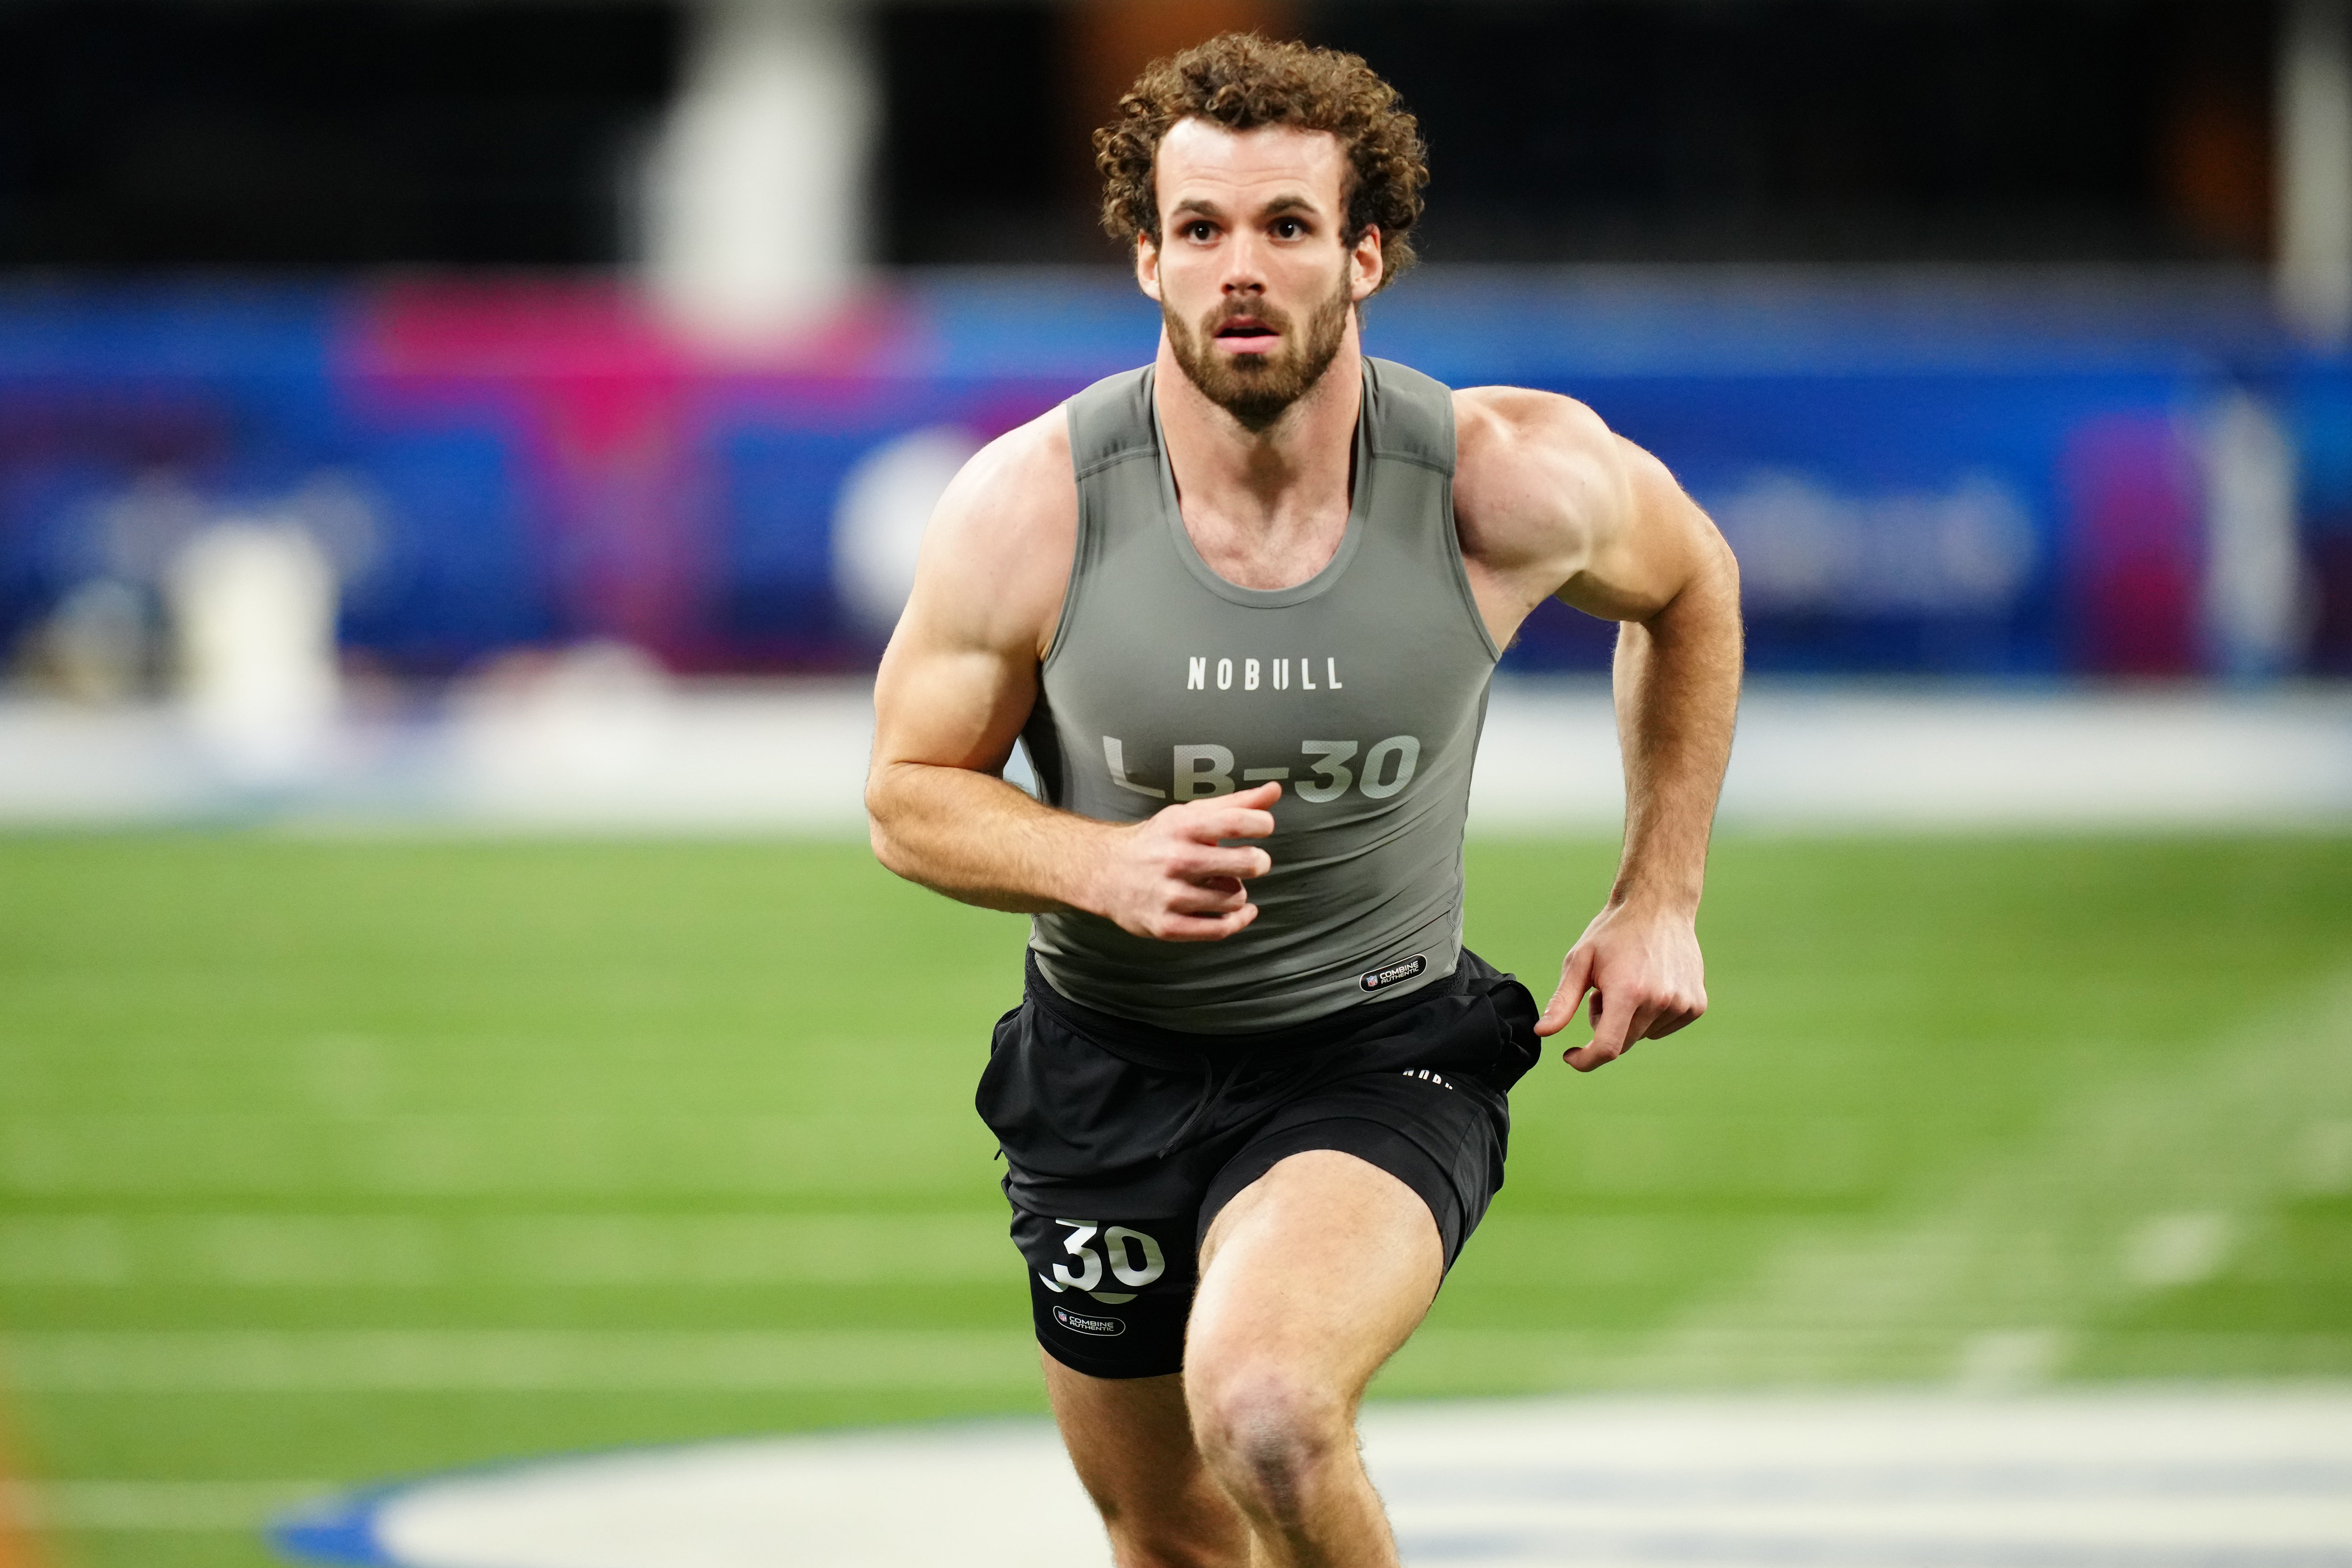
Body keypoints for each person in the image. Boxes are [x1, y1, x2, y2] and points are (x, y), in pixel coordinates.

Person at [865, 32, 1740, 1568]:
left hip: (1379, 1051)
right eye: (1201, 229)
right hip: (1107, 1072)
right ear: (1147, 259)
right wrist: (1100, 864)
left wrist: (1660, 888)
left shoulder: (1498, 481)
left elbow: (1691, 584)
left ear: (1366, 255)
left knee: (1269, 1409)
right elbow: (906, 796)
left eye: (1286, 226)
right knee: (1173, 1531)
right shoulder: (1030, 506)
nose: (1242, 268)